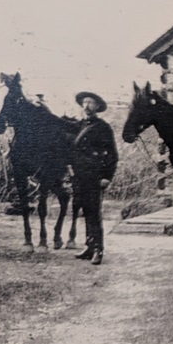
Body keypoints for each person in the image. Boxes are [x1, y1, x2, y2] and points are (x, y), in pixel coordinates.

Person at [67, 91, 119, 265]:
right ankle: (89, 247)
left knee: (94, 212)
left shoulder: (103, 127)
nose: (86, 106)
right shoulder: (80, 125)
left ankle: (98, 249)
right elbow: (60, 125)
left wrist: (107, 176)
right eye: (84, 102)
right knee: (84, 210)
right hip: (79, 175)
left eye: (90, 102)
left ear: (97, 107)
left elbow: (112, 154)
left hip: (94, 175)